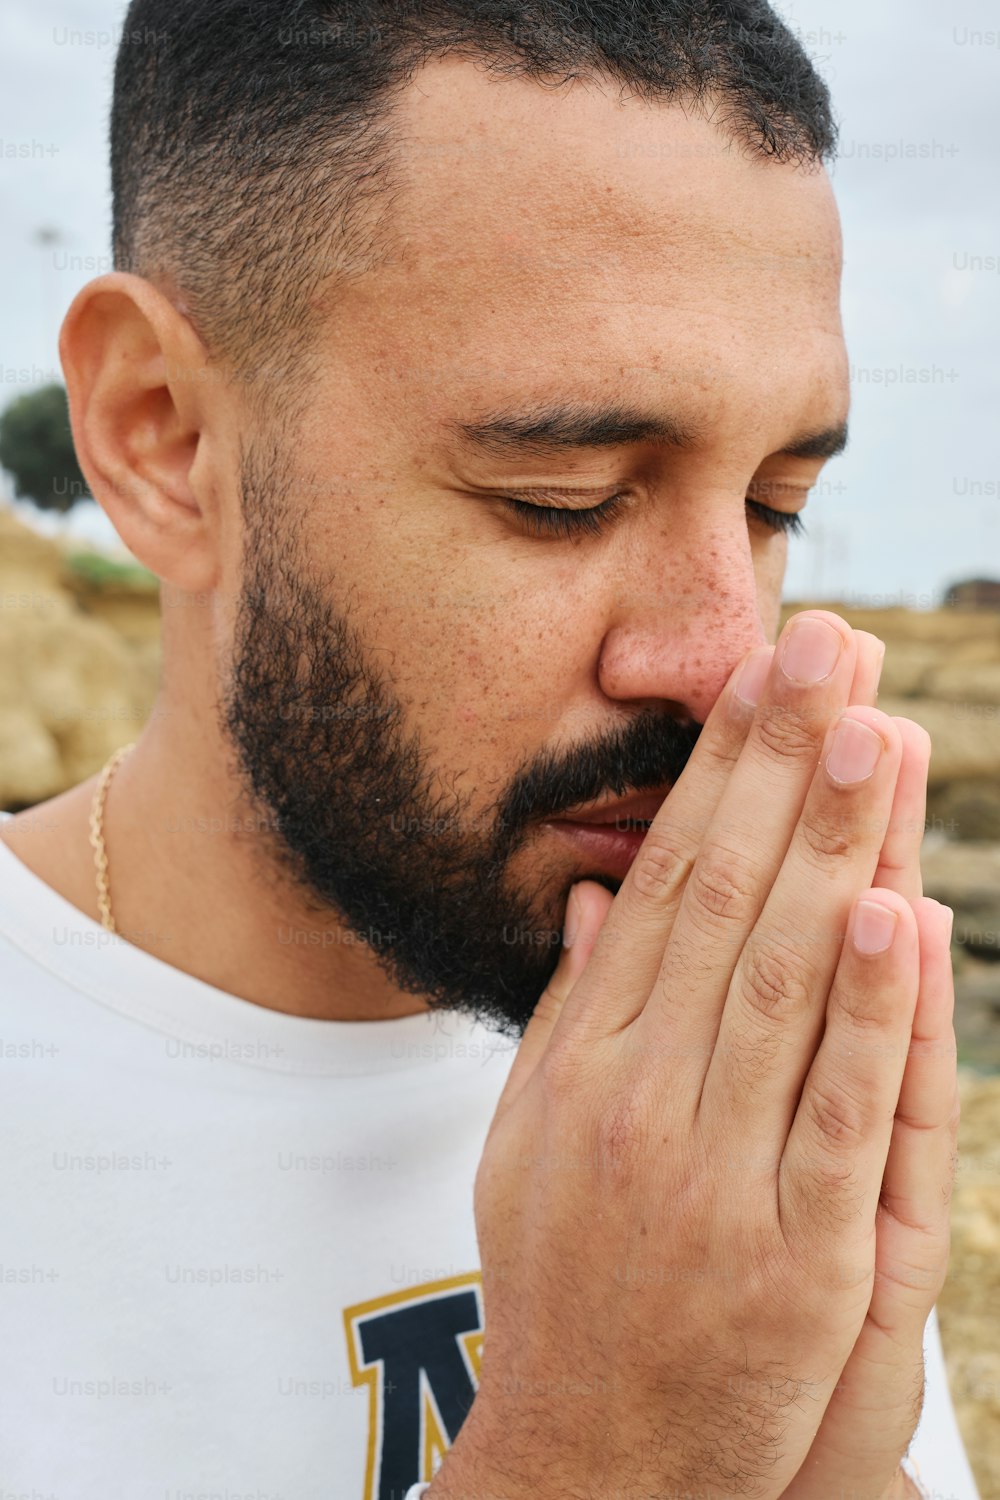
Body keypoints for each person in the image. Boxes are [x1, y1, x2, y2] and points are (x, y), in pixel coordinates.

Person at [0, 2, 982, 1497]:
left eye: (776, 505)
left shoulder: (733, 1063)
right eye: (563, 495)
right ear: (163, 438)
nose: (729, 661)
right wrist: (601, 1458)